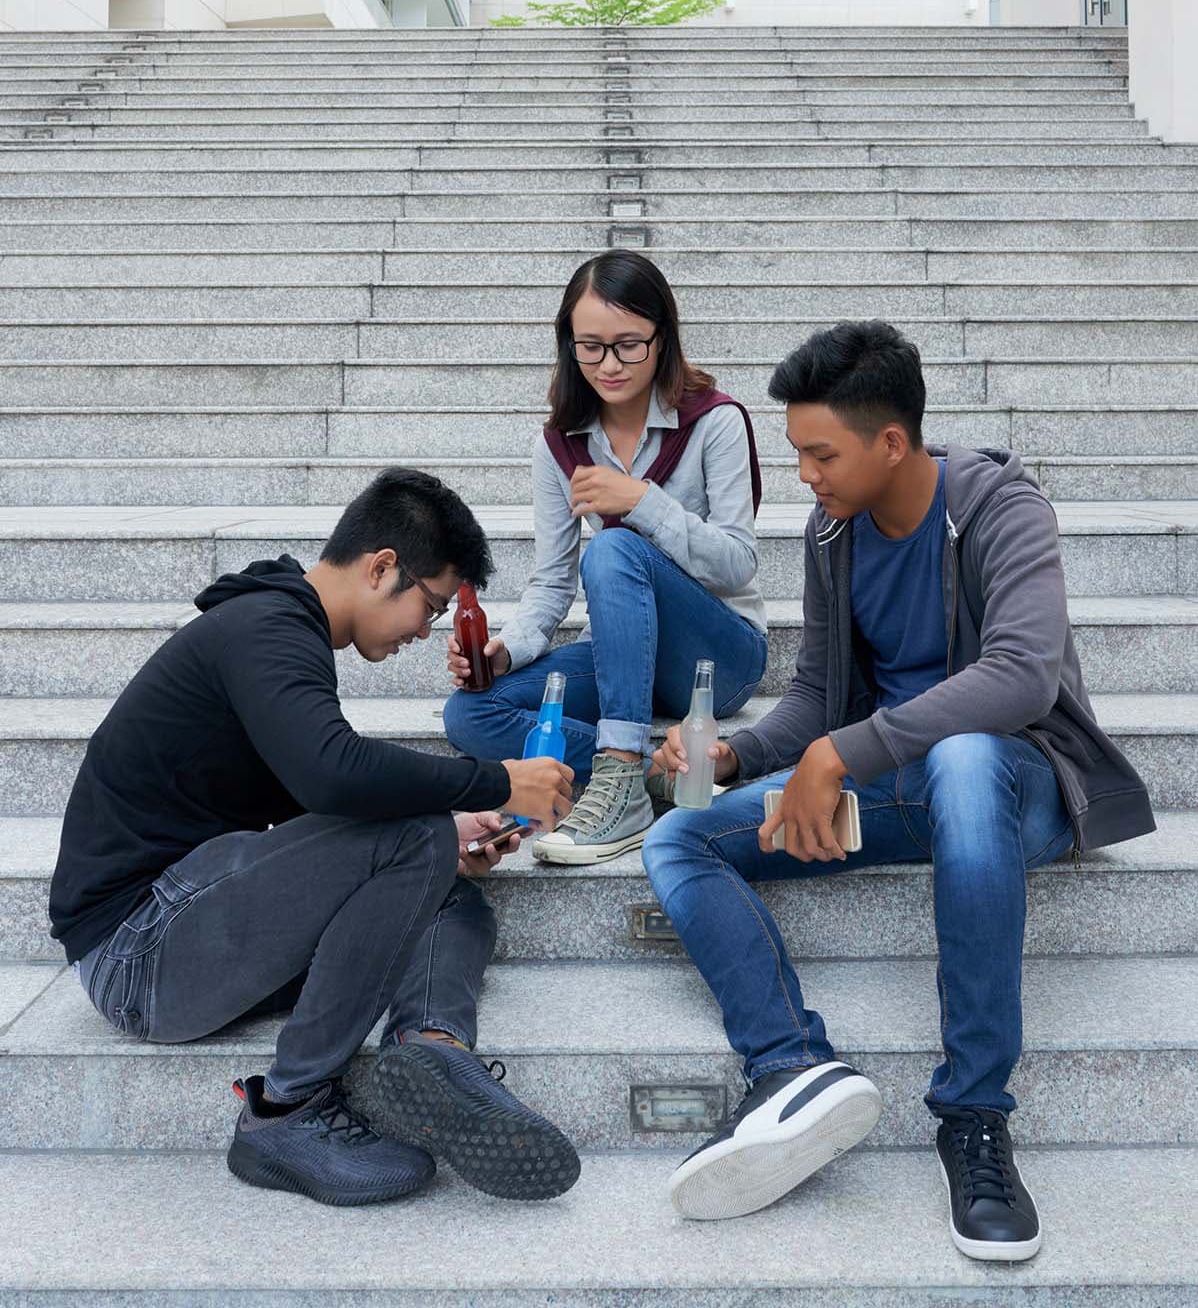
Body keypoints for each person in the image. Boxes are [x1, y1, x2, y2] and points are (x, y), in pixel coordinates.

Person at [643, 321, 1156, 1260]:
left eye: (819, 453)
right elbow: (816, 692)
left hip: (1017, 786)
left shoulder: (1001, 508)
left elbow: (1022, 674)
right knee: (676, 840)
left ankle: (973, 1117)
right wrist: (737, 759)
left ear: (891, 442)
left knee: (963, 757)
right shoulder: (834, 530)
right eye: (798, 452)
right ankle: (790, 1065)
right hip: (901, 786)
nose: (805, 475)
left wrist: (842, 755)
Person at [48, 468, 580, 1207]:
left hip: (198, 930)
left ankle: (430, 1050)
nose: (424, 633)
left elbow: (323, 797)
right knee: (416, 837)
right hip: (139, 952)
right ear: (381, 566)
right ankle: (286, 1109)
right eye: (427, 607)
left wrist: (450, 838)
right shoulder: (265, 629)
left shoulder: (279, 634)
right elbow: (335, 777)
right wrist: (492, 783)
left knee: (447, 892)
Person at [442, 250, 769, 866]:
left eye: (628, 345)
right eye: (589, 347)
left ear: (662, 337)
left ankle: (618, 772)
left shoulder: (714, 422)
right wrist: (504, 650)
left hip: (719, 656)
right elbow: (551, 582)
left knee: (617, 547)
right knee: (471, 713)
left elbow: (737, 563)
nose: (609, 365)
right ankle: (647, 773)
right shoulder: (560, 445)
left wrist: (643, 502)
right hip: (625, 653)